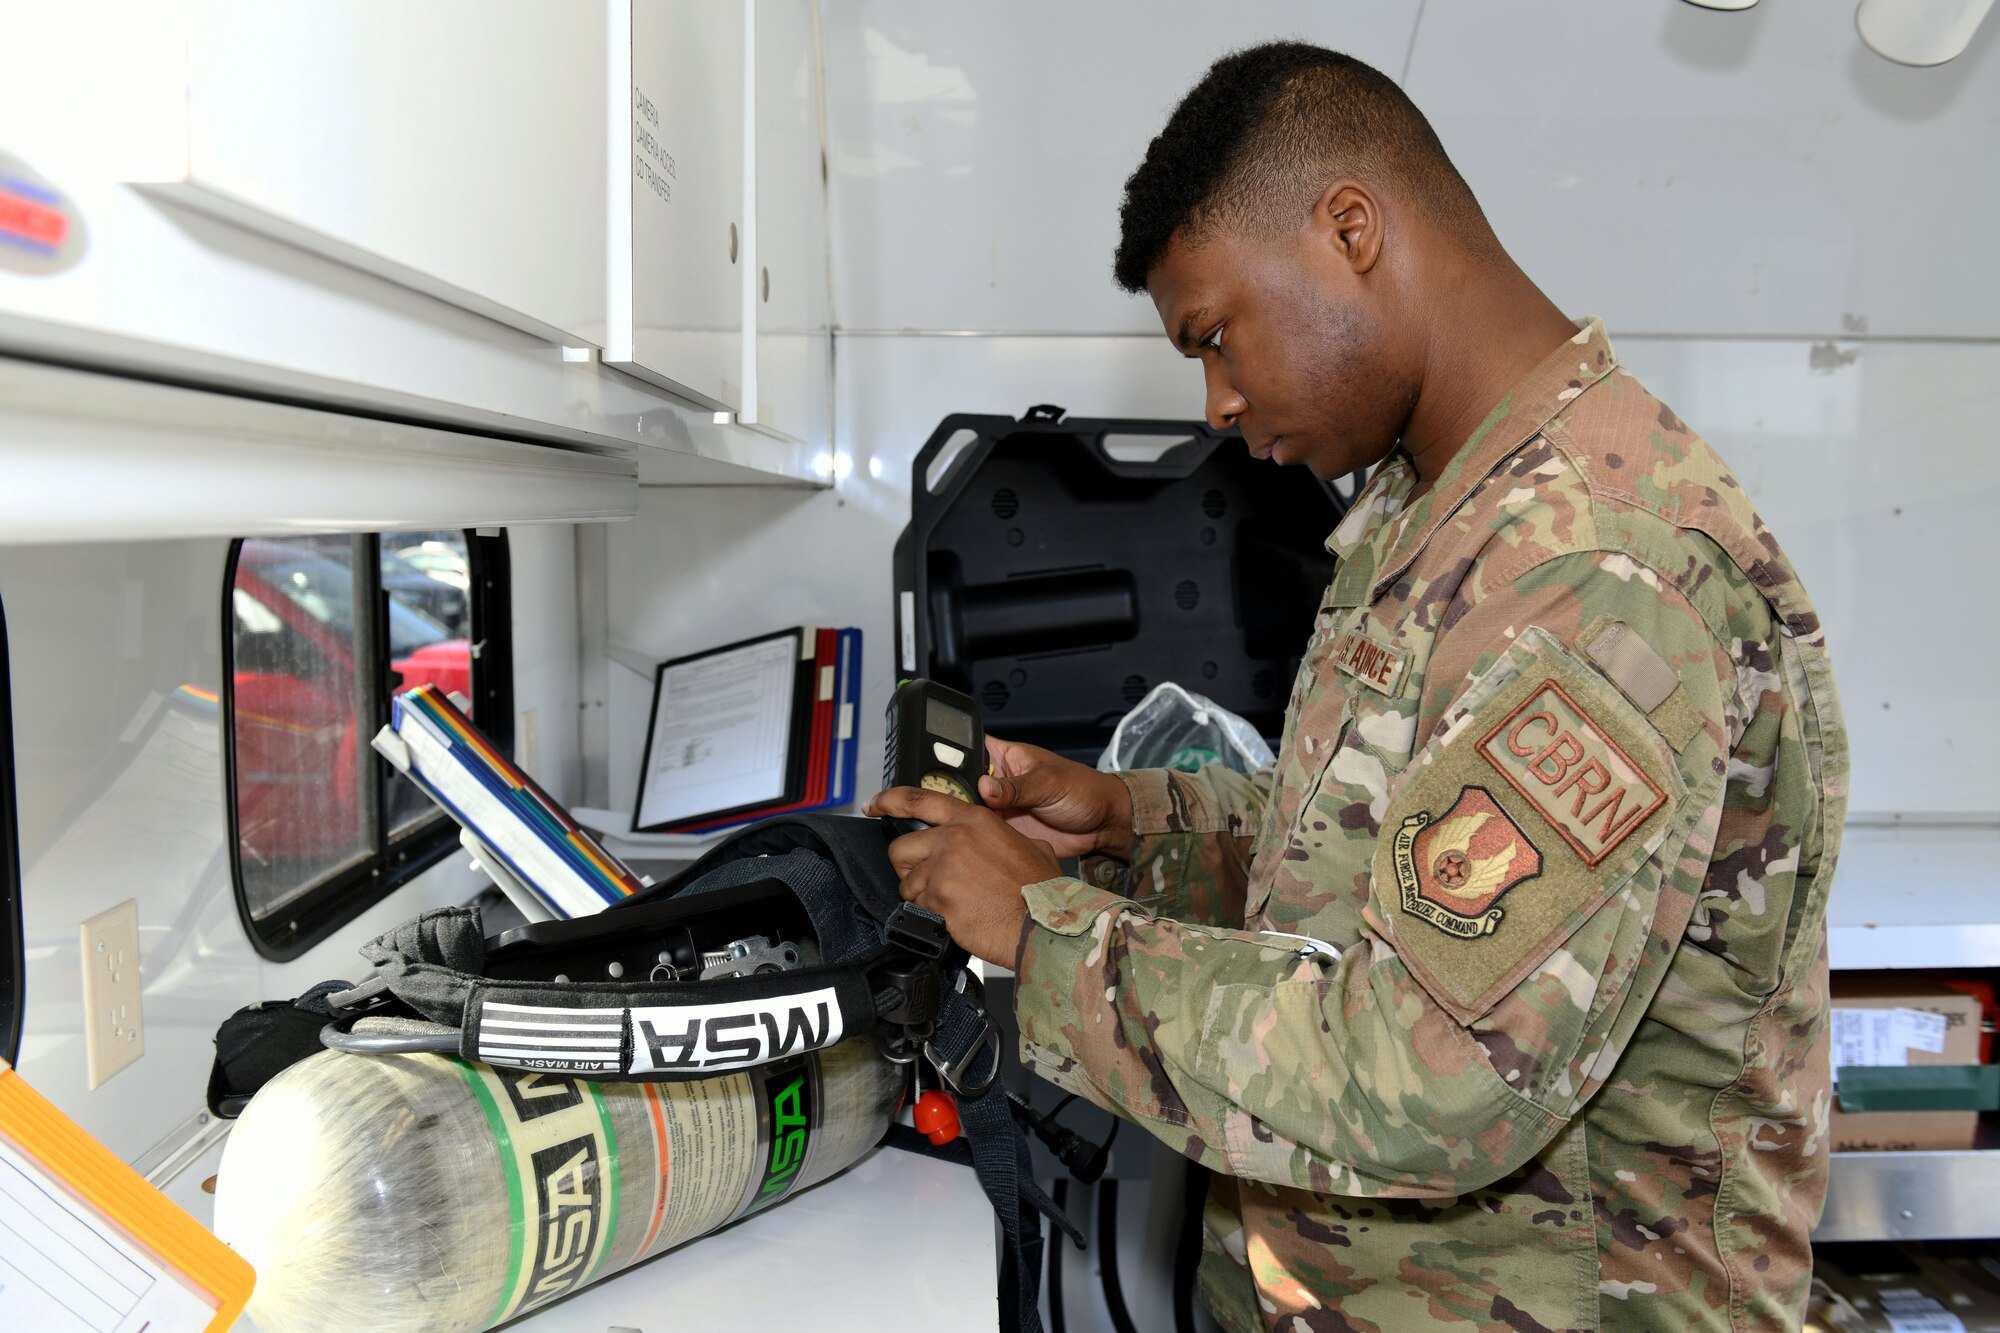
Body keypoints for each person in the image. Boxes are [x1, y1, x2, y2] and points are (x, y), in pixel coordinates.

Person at [867, 40, 1846, 1332]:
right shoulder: (1425, 503)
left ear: (1350, 231)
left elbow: (1426, 1068)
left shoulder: (1607, 564)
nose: (1216, 401)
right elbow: (1385, 855)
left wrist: (1042, 931)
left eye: (1216, 336)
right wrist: (1130, 826)